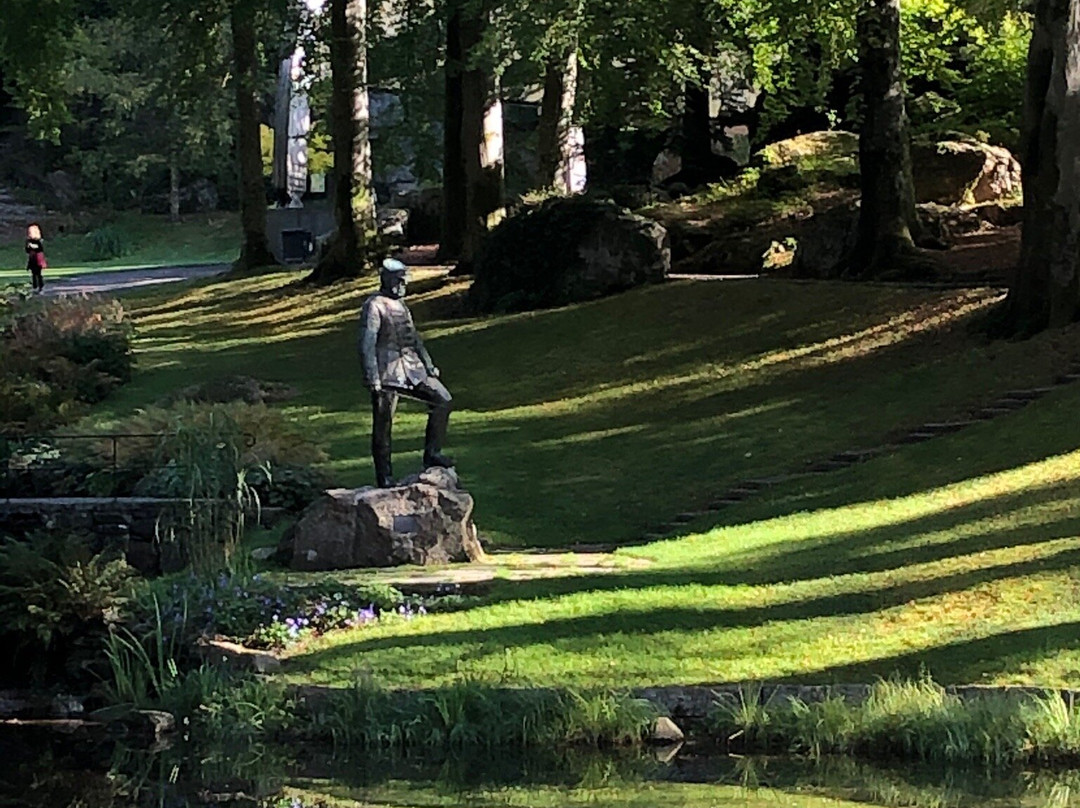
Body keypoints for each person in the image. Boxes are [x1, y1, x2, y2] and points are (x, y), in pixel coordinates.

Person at [359, 258, 454, 488]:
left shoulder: (402, 305)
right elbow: (366, 343)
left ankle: (432, 454)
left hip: (412, 369)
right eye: (400, 282)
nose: (404, 286)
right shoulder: (374, 305)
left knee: (443, 400)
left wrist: (429, 364)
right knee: (383, 425)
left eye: (404, 282)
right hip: (387, 372)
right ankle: (384, 476)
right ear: (389, 280)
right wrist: (372, 375)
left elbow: (414, 338)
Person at [25, 224, 46, 293]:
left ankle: (41, 287)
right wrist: (28, 247)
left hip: (38, 259)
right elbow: (27, 250)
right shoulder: (28, 241)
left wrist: (33, 246)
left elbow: (40, 249)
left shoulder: (38, 241)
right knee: (33, 274)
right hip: (32, 259)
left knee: (38, 274)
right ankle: (35, 287)